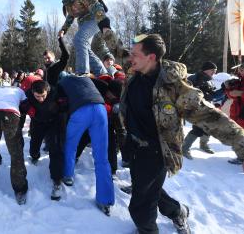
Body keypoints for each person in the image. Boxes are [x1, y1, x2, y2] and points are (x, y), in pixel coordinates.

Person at [121, 34, 244, 234]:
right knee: (147, 188)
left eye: (134, 54)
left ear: (151, 57)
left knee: (140, 207)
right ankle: (178, 211)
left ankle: (147, 230)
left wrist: (241, 141)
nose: (128, 57)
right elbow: (117, 48)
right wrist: (101, 20)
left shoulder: (175, 87)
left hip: (157, 151)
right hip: (133, 145)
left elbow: (210, 116)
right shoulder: (135, 70)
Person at [58, 75, 114, 216]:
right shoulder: (87, 79)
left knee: (71, 145)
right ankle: (105, 200)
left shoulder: (63, 82)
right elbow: (103, 84)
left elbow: (60, 101)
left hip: (80, 111)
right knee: (102, 157)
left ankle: (68, 175)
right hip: (101, 109)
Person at [53, 0, 120, 76]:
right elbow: (70, 17)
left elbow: (96, 6)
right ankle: (102, 73)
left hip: (94, 19)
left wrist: (104, 23)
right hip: (83, 24)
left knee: (79, 39)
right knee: (84, 47)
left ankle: (83, 72)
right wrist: (63, 29)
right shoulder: (68, 3)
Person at [22, 80, 65, 200]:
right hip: (38, 122)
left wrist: (60, 106)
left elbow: (65, 105)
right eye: (37, 97)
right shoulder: (28, 94)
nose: (40, 99)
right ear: (32, 92)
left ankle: (57, 180)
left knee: (55, 149)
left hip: (54, 122)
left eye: (43, 96)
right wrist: (27, 108)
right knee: (34, 145)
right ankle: (34, 156)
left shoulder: (55, 92)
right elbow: (22, 105)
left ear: (48, 91)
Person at [182, 61, 218, 159]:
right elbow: (186, 93)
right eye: (212, 70)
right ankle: (184, 148)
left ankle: (203, 144)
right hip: (195, 108)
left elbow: (213, 95)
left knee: (209, 126)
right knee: (197, 129)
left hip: (207, 107)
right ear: (205, 70)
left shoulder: (209, 80)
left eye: (215, 71)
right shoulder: (193, 78)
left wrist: (223, 90)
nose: (214, 72)